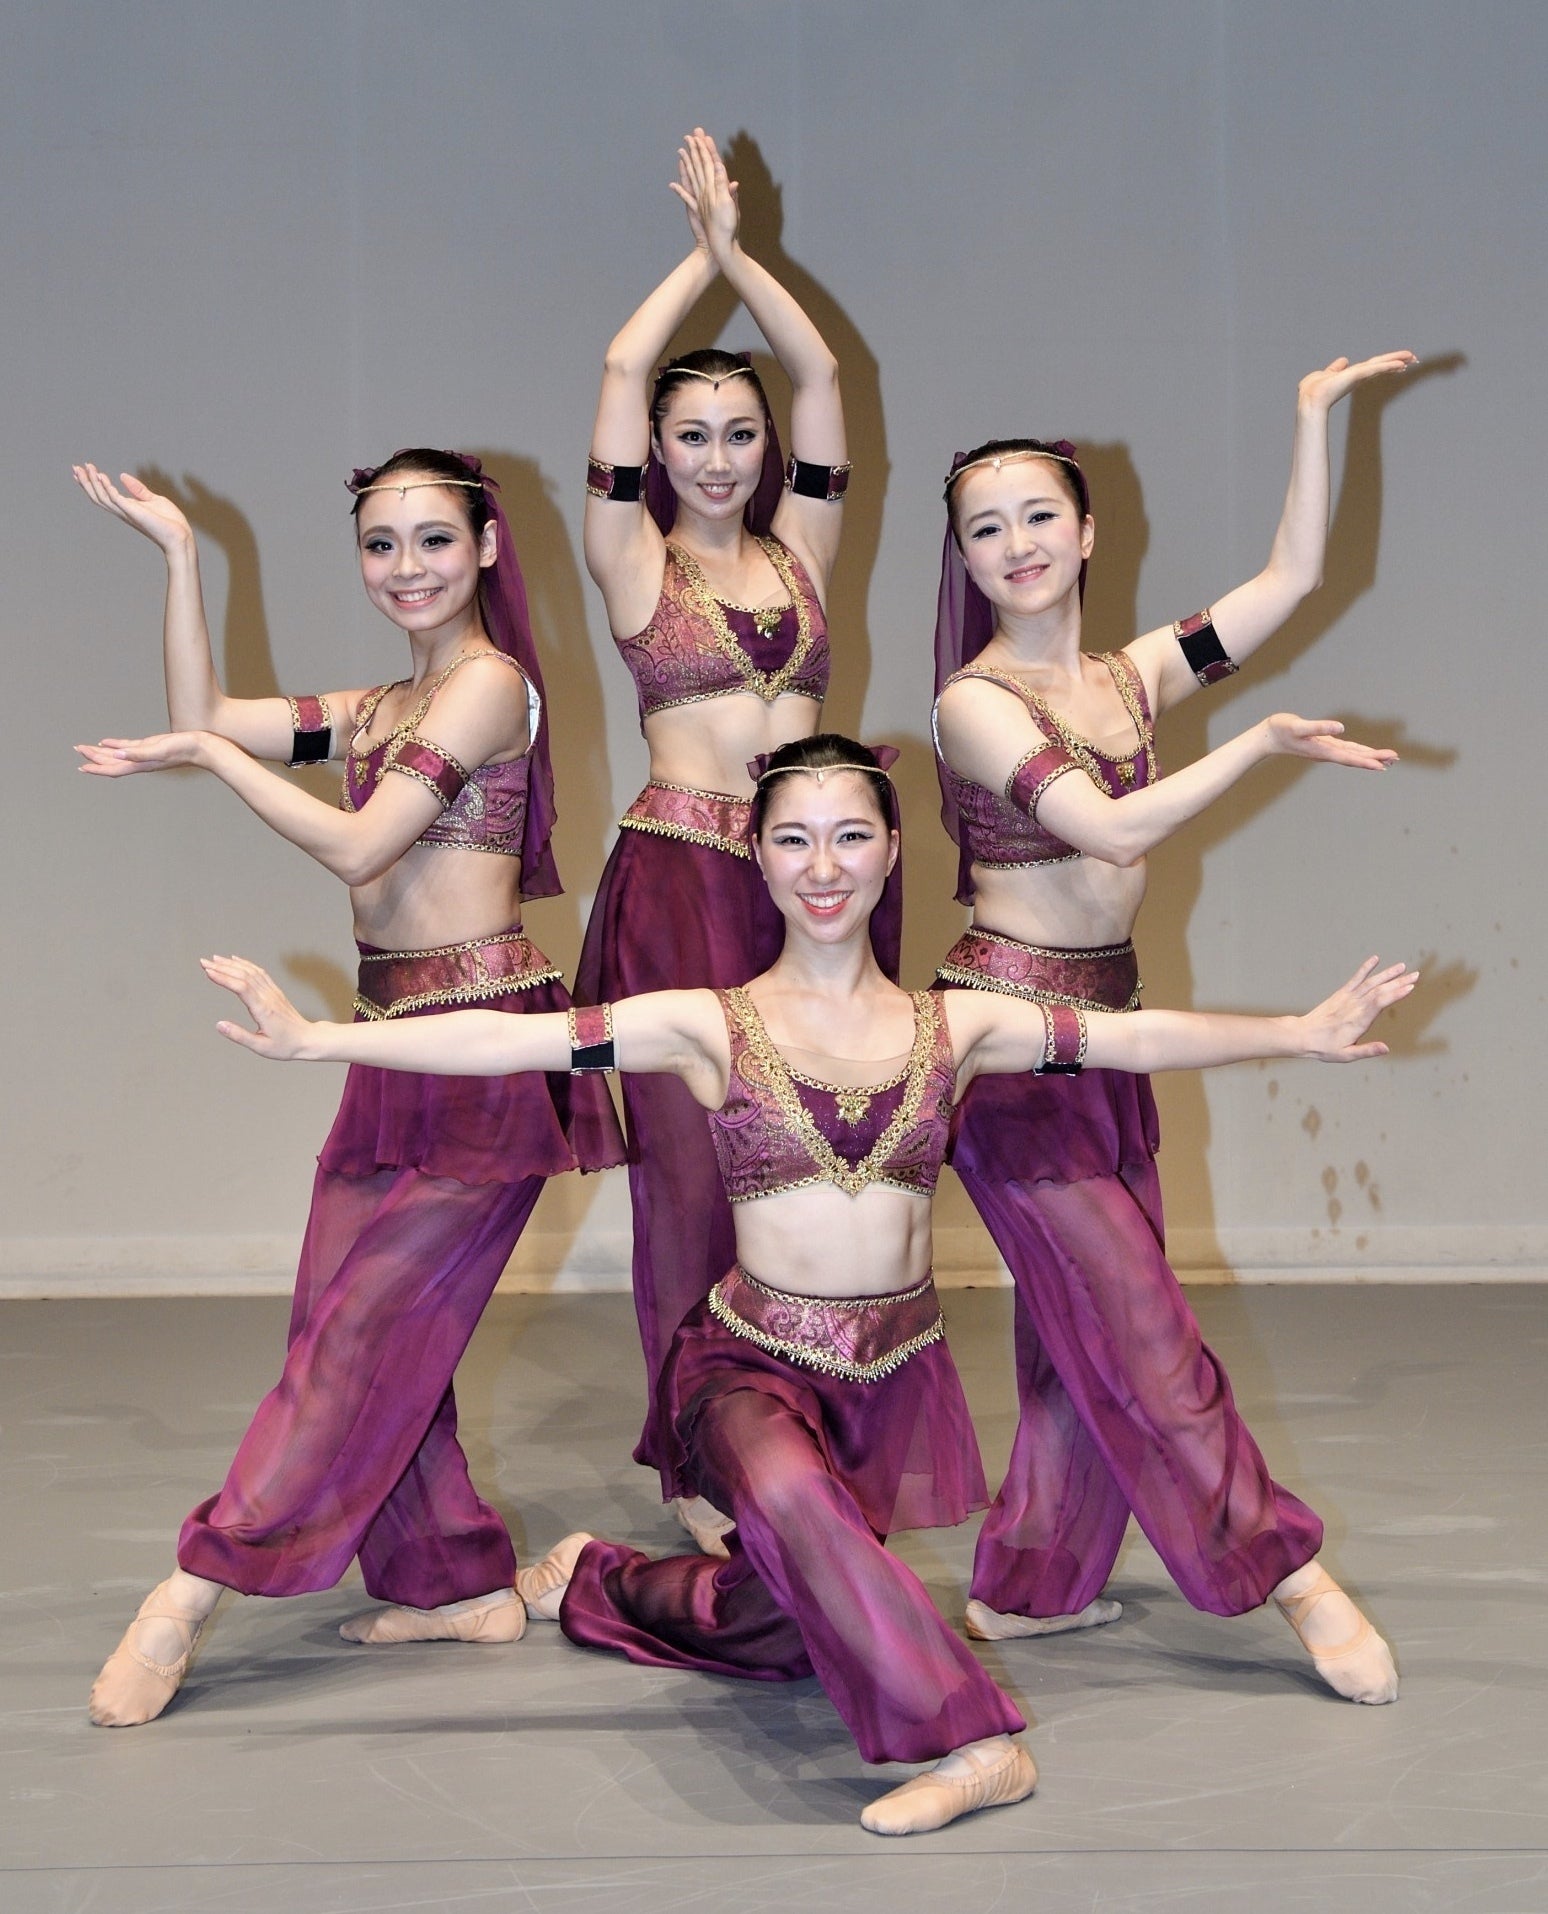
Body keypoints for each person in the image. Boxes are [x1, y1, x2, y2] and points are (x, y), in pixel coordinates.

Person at [202, 733, 1416, 1829]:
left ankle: (599, 1580)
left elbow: (1133, 1036)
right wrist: (321, 1040)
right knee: (789, 1499)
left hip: (888, 1382)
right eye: (792, 840)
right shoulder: (709, 1022)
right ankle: (972, 1742)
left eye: (848, 836)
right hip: (742, 1366)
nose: (822, 867)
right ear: (758, 857)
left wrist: (1297, 1033)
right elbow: (508, 1038)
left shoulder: (963, 1025)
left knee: (789, 1616)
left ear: (891, 850)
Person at [71, 446, 624, 1727]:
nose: (406, 567)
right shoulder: (380, 705)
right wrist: (181, 557)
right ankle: (454, 1583)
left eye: (433, 539)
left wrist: (215, 763)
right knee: (345, 1324)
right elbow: (209, 716)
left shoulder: (488, 686)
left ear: (486, 547)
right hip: (388, 1045)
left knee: (361, 1334)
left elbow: (363, 845)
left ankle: (189, 1591)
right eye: (381, 544)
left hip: (484, 1051)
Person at [930, 351, 1415, 1699]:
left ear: (1087, 530)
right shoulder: (975, 703)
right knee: (1140, 1326)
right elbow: (1108, 827)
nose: (1018, 543)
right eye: (987, 527)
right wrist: (1253, 746)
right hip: (1011, 1046)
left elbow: (1290, 580)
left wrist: (1310, 418)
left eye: (1040, 515)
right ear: (964, 558)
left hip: (1112, 1023)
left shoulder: (1132, 676)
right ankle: (1292, 1576)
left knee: (1078, 1328)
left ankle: (1031, 1583)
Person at [577, 131, 878, 1552]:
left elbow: (820, 373)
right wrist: (690, 262)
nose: (716, 457)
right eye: (690, 435)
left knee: (808, 1162)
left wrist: (742, 260)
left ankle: (802, 1433)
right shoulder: (633, 557)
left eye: (738, 433)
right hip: (680, 883)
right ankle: (702, 1460)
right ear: (655, 452)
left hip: (804, 877)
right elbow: (619, 366)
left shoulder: (804, 547)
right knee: (693, 1179)